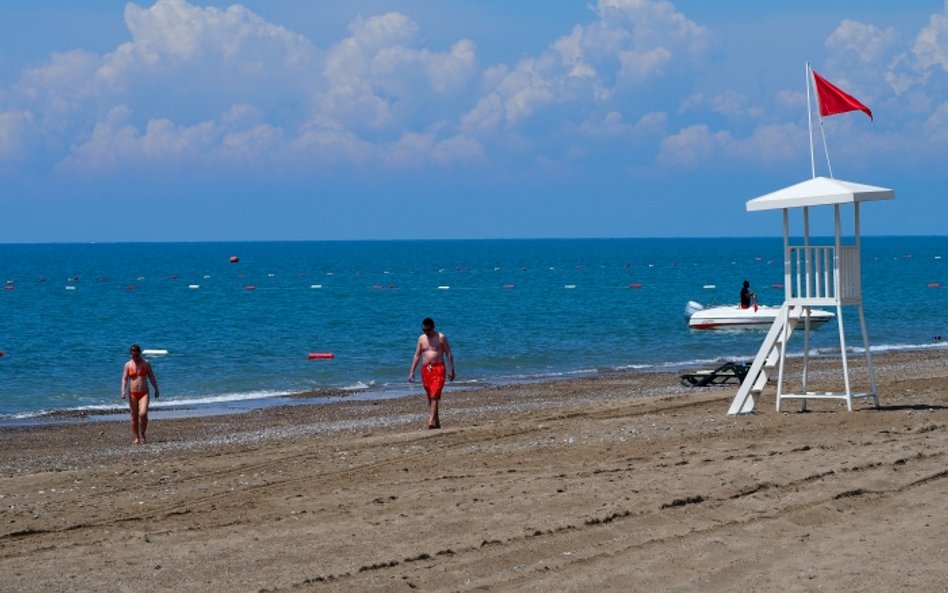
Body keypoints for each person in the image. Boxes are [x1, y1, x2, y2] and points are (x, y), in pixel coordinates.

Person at [408, 318, 455, 429]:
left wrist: (451, 369)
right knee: (430, 396)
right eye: (424, 330)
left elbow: (448, 353)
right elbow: (417, 355)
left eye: (428, 330)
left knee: (435, 395)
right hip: (426, 369)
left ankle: (431, 420)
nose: (426, 332)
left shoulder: (441, 337)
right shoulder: (421, 339)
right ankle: (437, 422)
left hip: (438, 368)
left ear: (433, 328)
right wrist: (412, 371)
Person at [121, 344, 159, 444]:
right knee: (134, 416)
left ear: (140, 354)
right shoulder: (128, 365)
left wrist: (156, 389)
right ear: (131, 355)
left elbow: (151, 376)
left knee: (142, 414)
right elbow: (124, 378)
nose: (135, 358)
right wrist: (123, 391)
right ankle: (136, 437)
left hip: (144, 393)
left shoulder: (146, 363)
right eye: (133, 356)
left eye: (137, 356)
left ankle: (142, 433)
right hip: (132, 393)